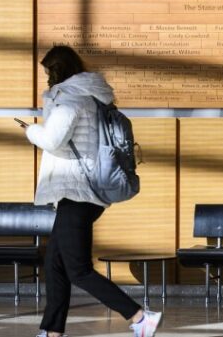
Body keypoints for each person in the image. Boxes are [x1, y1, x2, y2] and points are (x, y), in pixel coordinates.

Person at [24, 46, 161, 337]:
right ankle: (51, 332)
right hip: (81, 191)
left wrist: (30, 131)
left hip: (77, 191)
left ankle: (139, 317)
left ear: (56, 71)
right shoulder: (90, 96)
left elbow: (53, 139)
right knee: (55, 265)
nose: (47, 78)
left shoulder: (71, 98)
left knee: (78, 269)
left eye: (48, 72)